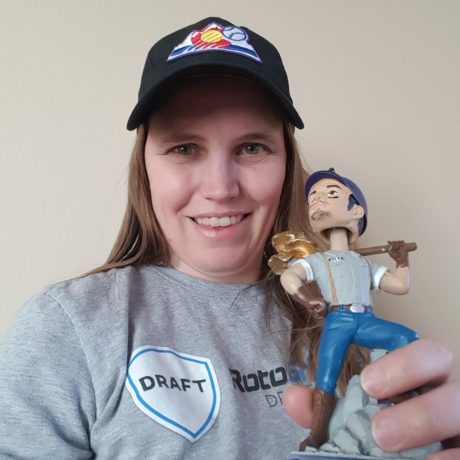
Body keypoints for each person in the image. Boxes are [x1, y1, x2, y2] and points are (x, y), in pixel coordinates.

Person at [0, 16, 458, 460]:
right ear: (145, 168)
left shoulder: (340, 312)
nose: (220, 188)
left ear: (287, 168)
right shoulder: (68, 328)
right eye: (184, 148)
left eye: (252, 147)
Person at [280, 168, 419, 450]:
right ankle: (318, 433)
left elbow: (399, 286)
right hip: (337, 320)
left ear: (356, 211)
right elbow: (289, 277)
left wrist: (402, 261)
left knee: (406, 338)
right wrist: (307, 299)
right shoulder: (318, 260)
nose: (318, 200)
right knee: (326, 375)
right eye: (313, 197)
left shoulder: (364, 263)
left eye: (331, 194)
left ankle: (396, 394)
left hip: (365, 319)